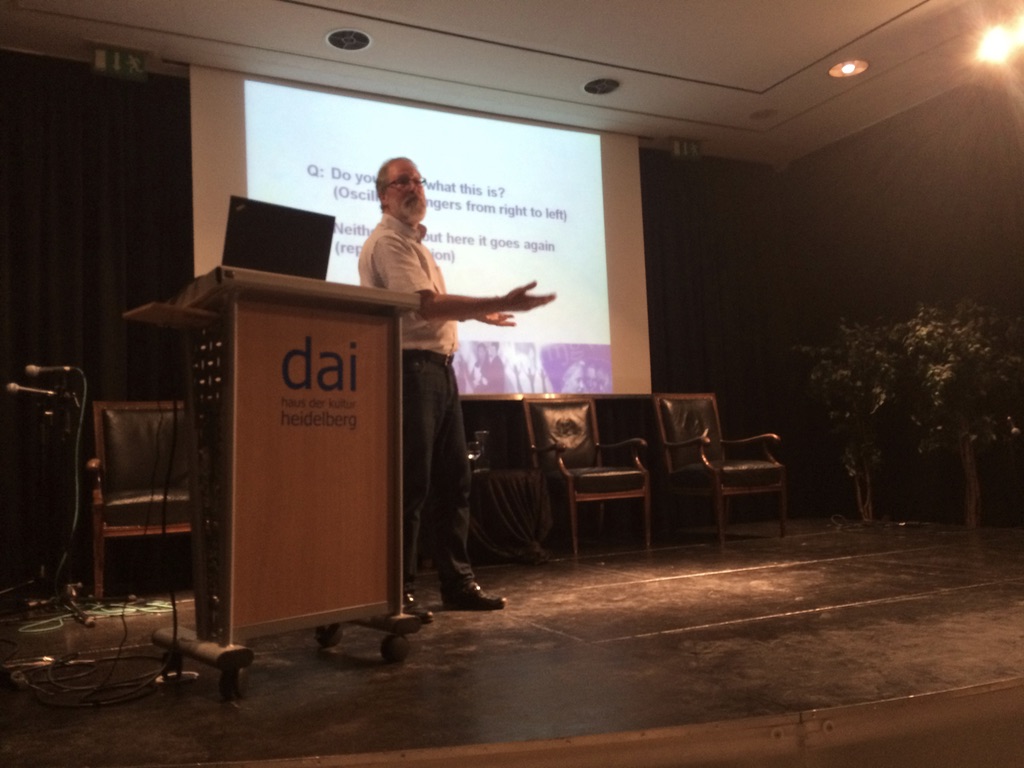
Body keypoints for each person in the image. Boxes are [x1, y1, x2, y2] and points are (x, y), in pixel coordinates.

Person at [358, 157, 555, 620]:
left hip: (437, 371)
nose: (414, 187)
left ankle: (457, 584)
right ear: (383, 195)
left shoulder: (415, 243)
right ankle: (397, 590)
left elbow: (428, 306)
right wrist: (500, 300)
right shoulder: (388, 242)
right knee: (413, 484)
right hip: (411, 371)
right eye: (402, 181)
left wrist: (479, 313)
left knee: (454, 482)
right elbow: (426, 307)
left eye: (418, 181)